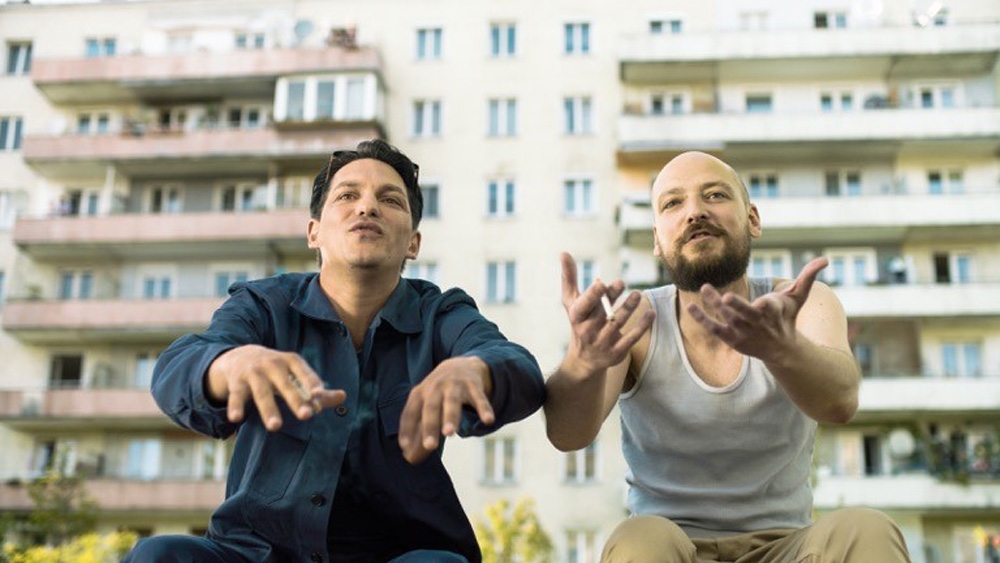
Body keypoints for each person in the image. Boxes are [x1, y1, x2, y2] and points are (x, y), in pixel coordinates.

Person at [124, 139, 546, 563]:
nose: (367, 207)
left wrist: (474, 369)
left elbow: (517, 366)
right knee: (159, 555)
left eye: (390, 200)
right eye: (347, 196)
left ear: (413, 243)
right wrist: (228, 365)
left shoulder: (440, 313)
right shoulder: (264, 305)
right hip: (254, 554)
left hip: (395, 556)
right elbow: (176, 368)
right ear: (314, 232)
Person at [544, 151, 911, 562]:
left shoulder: (803, 303)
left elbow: (840, 402)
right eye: (673, 203)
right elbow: (568, 436)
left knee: (866, 529)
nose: (695, 212)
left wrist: (782, 349)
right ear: (657, 240)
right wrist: (582, 362)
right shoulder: (635, 320)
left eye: (715, 195)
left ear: (753, 219)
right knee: (638, 537)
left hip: (785, 548)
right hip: (672, 547)